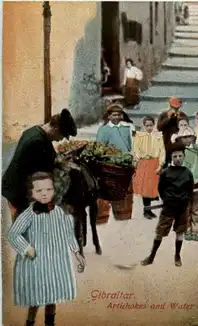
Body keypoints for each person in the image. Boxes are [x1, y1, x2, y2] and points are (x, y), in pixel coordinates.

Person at [8, 171, 86, 326]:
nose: (44, 194)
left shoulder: (59, 212)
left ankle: (50, 322)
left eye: (48, 190)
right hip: (36, 263)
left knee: (53, 295)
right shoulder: (28, 214)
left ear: (54, 190)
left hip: (56, 263)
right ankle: (30, 322)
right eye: (39, 190)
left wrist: (77, 253)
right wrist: (26, 248)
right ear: (32, 193)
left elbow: (68, 233)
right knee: (36, 297)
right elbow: (13, 234)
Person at [2, 109, 77, 221]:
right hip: (19, 192)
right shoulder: (39, 142)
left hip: (12, 186)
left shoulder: (34, 131)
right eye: (61, 135)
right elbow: (44, 173)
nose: (60, 140)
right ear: (56, 128)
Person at [141, 141, 193, 267]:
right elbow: (161, 189)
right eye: (175, 156)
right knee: (160, 232)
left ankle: (177, 255)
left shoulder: (187, 173)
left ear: (184, 156)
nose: (178, 159)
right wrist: (168, 200)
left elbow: (190, 189)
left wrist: (184, 201)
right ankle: (151, 256)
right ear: (171, 158)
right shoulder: (165, 172)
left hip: (182, 208)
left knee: (180, 232)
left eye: (180, 156)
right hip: (168, 207)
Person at [95, 103, 134, 224]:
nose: (116, 117)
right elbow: (100, 147)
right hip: (110, 165)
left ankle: (123, 215)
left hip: (126, 164)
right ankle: (104, 216)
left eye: (119, 114)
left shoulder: (127, 127)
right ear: (109, 116)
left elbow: (132, 143)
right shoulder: (104, 130)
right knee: (110, 189)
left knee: (126, 189)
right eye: (114, 115)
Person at [172, 127, 198, 242]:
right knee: (185, 208)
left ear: (193, 138)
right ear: (180, 139)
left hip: (197, 181)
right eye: (184, 137)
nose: (187, 139)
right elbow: (174, 166)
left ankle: (195, 231)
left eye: (189, 137)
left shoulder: (197, 149)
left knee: (196, 208)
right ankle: (187, 230)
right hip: (184, 183)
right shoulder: (179, 151)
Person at [132, 116, 165, 219]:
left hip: (154, 162)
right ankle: (146, 211)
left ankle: (161, 209)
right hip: (144, 163)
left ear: (154, 125)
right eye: (147, 125)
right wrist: (137, 160)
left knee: (155, 187)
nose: (149, 127)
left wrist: (160, 164)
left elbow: (162, 150)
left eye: (151, 125)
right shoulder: (140, 136)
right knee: (145, 188)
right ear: (144, 126)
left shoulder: (158, 137)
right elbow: (136, 149)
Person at [157, 96, 189, 162]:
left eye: (177, 108)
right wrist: (168, 118)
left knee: (179, 162)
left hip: (179, 144)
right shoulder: (164, 115)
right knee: (165, 163)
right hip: (166, 144)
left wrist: (179, 118)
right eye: (173, 107)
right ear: (170, 106)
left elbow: (185, 128)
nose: (175, 109)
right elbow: (159, 128)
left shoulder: (183, 115)